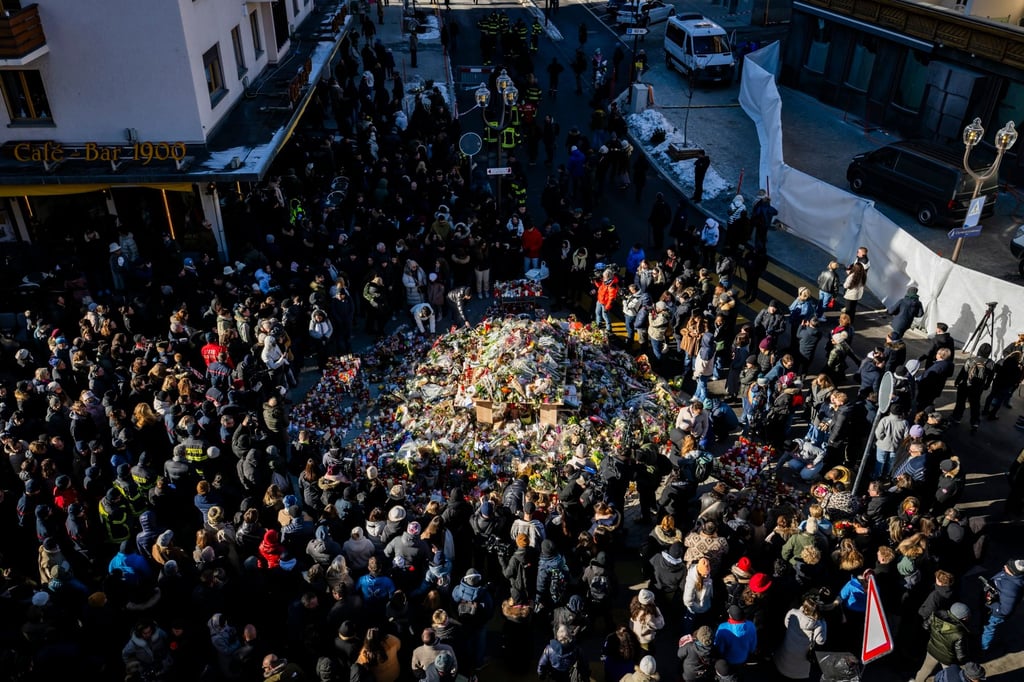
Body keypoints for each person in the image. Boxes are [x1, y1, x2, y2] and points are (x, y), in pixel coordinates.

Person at [914, 602, 972, 682]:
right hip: (947, 658)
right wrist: (964, 661)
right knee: (949, 677)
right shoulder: (959, 634)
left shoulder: (935, 616)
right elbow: (960, 655)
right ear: (961, 617)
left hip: (932, 650)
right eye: (966, 616)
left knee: (924, 670)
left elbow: (925, 626)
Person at [773, 596, 827, 680]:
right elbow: (820, 641)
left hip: (786, 653)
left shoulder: (793, 613)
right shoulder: (818, 625)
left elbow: (786, 624)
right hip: (801, 659)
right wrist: (824, 623)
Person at [980, 559, 1024, 653]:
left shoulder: (1011, 589)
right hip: (992, 604)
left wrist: (991, 602)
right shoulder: (1010, 575)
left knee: (989, 628)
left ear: (1013, 572)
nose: (1005, 566)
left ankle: (984, 647)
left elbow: (1005, 610)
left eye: (1008, 566)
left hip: (996, 614)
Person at [951, 343, 994, 433]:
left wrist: (957, 381)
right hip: (978, 387)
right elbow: (990, 377)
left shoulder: (970, 360)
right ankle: (974, 422)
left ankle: (957, 418)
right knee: (975, 405)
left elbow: (963, 372)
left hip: (965, 385)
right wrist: (986, 385)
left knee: (960, 402)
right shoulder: (990, 363)